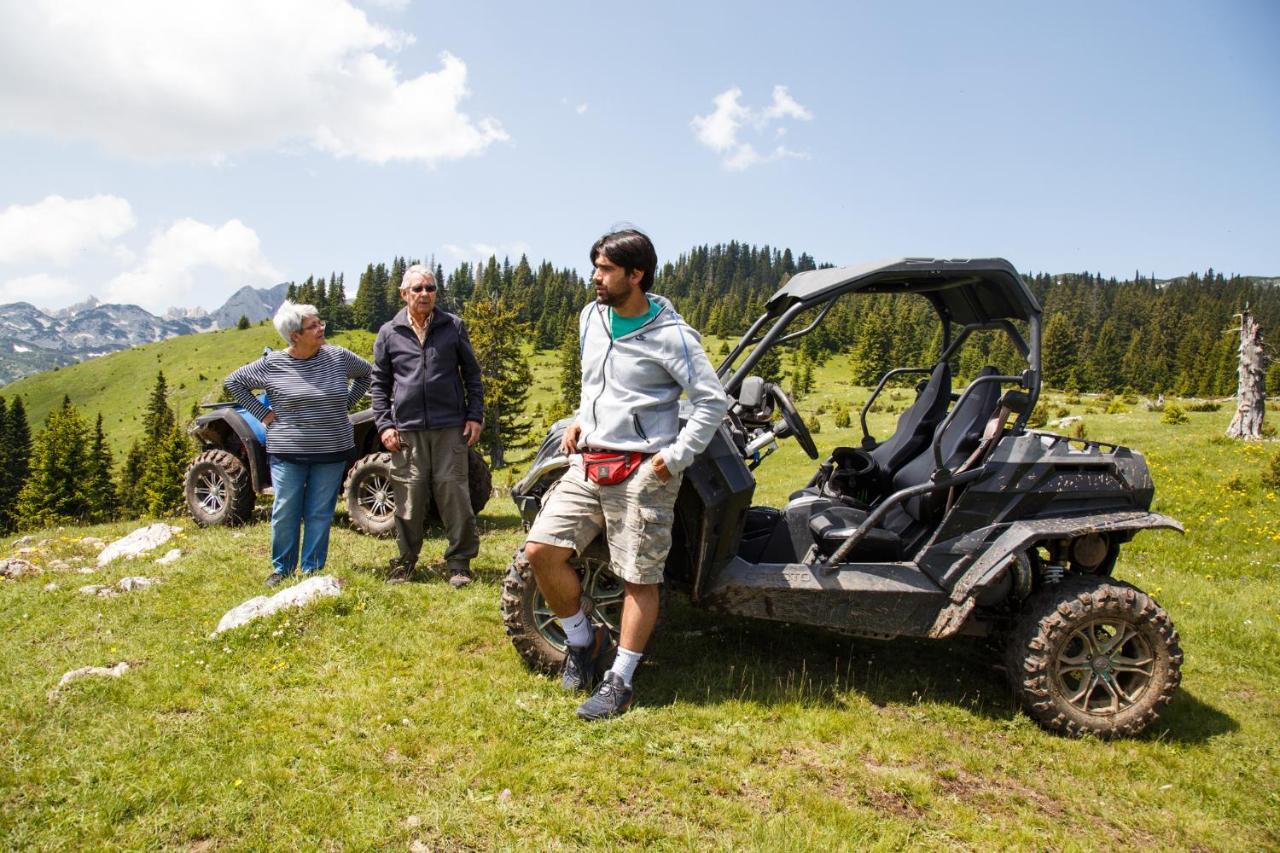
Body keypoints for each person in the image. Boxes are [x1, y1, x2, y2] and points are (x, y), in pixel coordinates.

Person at [523, 228, 730, 720]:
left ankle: (621, 681)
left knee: (639, 575)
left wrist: (674, 457)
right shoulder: (591, 316)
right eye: (595, 266)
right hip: (589, 459)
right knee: (541, 550)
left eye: (606, 269)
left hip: (644, 468)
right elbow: (596, 380)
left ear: (636, 275)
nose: (595, 277)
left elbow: (711, 401)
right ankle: (583, 642)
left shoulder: (673, 336)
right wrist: (582, 419)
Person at [225, 301, 372, 587]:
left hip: (332, 448)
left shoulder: (338, 356)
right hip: (288, 450)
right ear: (295, 335)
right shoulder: (273, 364)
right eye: (313, 326)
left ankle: (313, 570)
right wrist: (263, 413)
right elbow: (235, 383)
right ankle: (282, 569)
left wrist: (346, 405)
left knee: (320, 511)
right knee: (285, 509)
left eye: (320, 323)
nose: (321, 329)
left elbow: (367, 374)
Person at [371, 263, 484, 589]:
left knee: (454, 495)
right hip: (406, 430)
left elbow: (472, 375)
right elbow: (379, 384)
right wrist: (384, 425)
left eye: (430, 288)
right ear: (404, 293)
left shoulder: (453, 326)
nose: (424, 294)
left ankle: (460, 563)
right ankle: (405, 562)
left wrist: (475, 415)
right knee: (409, 497)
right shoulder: (389, 332)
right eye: (418, 289)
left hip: (450, 426)